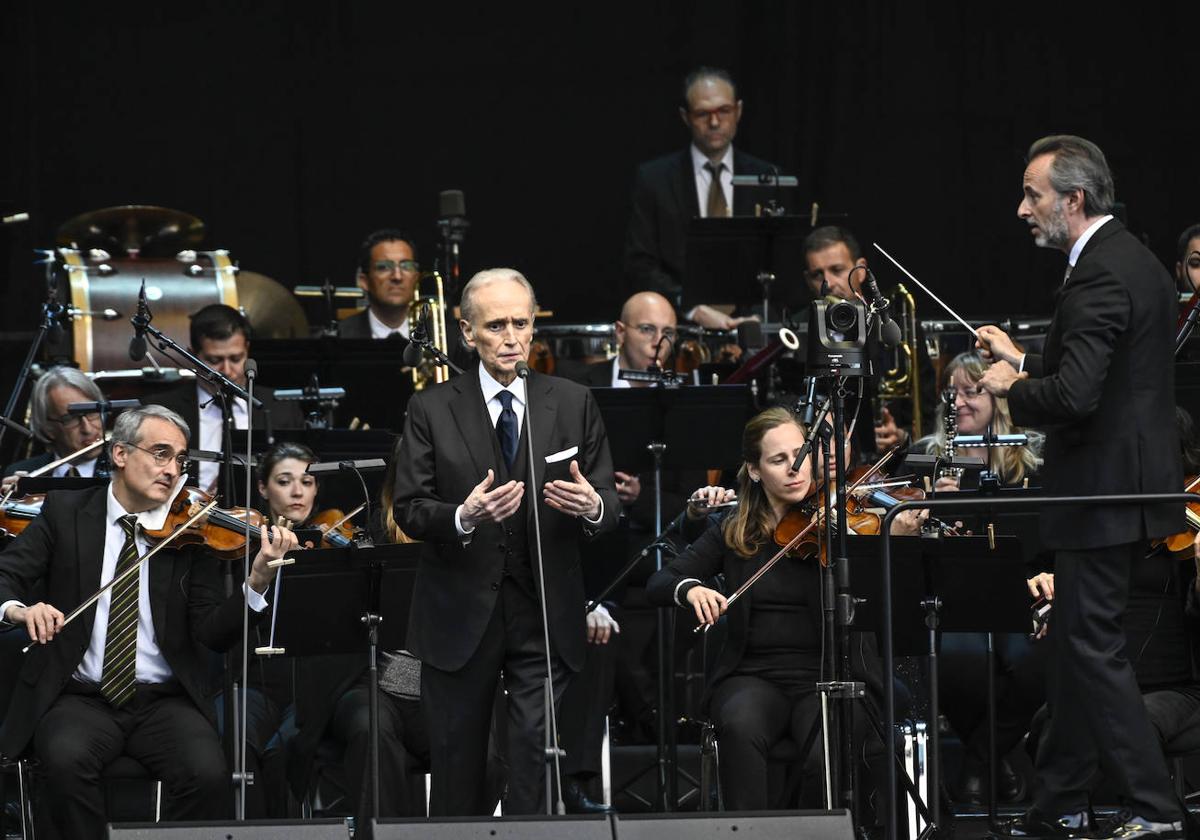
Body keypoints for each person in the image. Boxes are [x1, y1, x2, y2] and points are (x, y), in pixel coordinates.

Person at [978, 134, 1184, 839]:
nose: (1021, 208)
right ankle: (1057, 803)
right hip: (1122, 486)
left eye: (1033, 195)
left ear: (1073, 200)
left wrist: (1014, 385)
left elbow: (1074, 396)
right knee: (1074, 645)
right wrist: (1023, 354)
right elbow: (1112, 373)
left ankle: (1156, 810)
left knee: (1092, 647)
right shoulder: (1134, 260)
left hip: (1100, 490)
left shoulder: (1096, 273)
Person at [0, 405, 296, 840]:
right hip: (80, 695)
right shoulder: (65, 512)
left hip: (164, 700)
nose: (172, 470)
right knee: (64, 763)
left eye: (180, 459)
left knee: (208, 774)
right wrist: (21, 610)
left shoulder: (193, 531)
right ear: (120, 454)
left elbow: (213, 634)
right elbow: (6, 574)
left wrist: (256, 580)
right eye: (160, 454)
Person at [392, 268, 619, 815]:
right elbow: (410, 508)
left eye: (522, 323)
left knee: (535, 758)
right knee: (458, 767)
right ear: (467, 332)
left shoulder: (571, 401)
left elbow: (608, 502)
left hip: (542, 608)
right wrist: (464, 516)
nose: (512, 337)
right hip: (459, 610)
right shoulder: (431, 407)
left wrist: (594, 507)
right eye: (497, 325)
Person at [644, 407, 922, 811]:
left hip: (830, 676)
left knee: (824, 753)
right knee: (739, 725)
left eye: (801, 454)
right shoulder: (734, 528)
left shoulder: (843, 519)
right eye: (778, 460)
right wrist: (689, 589)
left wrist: (894, 540)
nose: (795, 469)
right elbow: (660, 581)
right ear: (754, 471)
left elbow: (891, 595)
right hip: (753, 676)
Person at [268, 441, 430, 828]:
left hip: (440, 683)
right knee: (369, 729)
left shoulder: (466, 537)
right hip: (366, 680)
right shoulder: (372, 529)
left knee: (484, 751)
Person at [911, 351, 1047, 805]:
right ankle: (997, 762)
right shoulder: (925, 460)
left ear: (1000, 398)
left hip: (1021, 589)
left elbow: (1048, 537)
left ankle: (979, 760)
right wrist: (928, 510)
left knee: (1033, 664)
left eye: (974, 390)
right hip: (956, 593)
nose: (961, 401)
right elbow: (907, 547)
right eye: (952, 392)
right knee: (957, 661)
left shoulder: (1030, 463)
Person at [624, 66, 775, 330]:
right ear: (685, 117)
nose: (714, 122)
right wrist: (691, 308)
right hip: (679, 326)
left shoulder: (767, 177)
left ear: (738, 111)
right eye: (703, 113)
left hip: (751, 326)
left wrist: (756, 317)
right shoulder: (654, 179)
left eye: (723, 111)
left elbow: (777, 261)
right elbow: (641, 262)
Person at [802, 225, 937, 455]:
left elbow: (926, 408)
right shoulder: (801, 333)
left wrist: (902, 435)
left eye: (837, 270)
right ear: (807, 279)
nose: (828, 282)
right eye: (817, 275)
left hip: (893, 462)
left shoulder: (895, 325)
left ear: (861, 270)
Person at [145, 304, 304, 494]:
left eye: (236, 358)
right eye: (214, 361)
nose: (227, 371)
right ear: (192, 355)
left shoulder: (282, 408)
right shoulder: (163, 410)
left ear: (247, 349)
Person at [2, 366, 105, 490]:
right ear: (48, 427)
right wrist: (13, 502)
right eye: (70, 419)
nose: (88, 429)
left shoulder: (126, 470)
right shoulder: (25, 475)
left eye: (92, 412)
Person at [338, 229, 420, 340]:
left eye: (406, 266)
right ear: (364, 281)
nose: (397, 276)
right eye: (384, 267)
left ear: (416, 278)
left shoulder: (447, 337)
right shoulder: (340, 337)